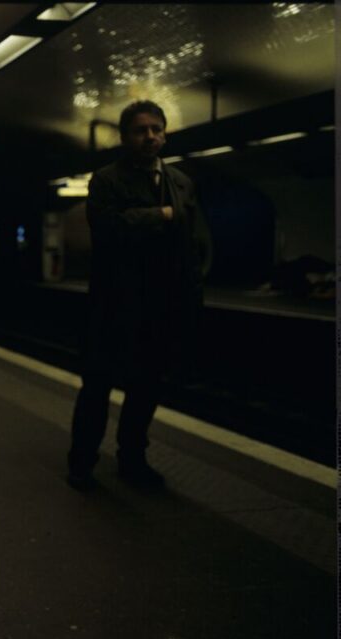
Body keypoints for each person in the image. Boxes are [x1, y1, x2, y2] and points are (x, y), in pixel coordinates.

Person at [66, 100, 210, 491]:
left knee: (146, 388)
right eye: (141, 130)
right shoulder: (107, 180)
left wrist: (192, 298)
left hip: (161, 307)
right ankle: (82, 463)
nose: (150, 137)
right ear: (125, 137)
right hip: (115, 305)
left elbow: (193, 245)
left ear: (165, 133)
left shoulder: (181, 182)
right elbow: (109, 229)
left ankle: (133, 460)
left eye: (156, 129)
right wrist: (159, 215)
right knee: (97, 386)